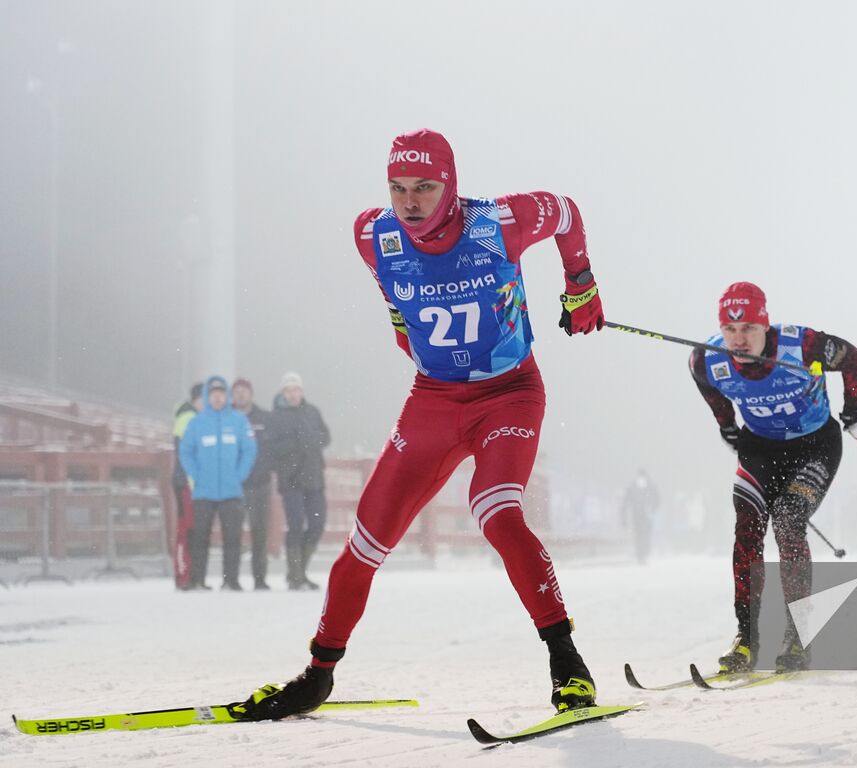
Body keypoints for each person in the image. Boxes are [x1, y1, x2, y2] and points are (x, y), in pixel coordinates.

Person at [230, 128, 605, 720]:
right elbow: (397, 309)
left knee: (498, 511)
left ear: (450, 186)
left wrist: (579, 282)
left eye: (425, 188)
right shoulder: (370, 233)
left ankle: (567, 663)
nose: (410, 202)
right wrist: (416, 339)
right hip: (433, 399)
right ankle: (318, 672)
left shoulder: (500, 223)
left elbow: (567, 213)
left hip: (508, 394)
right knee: (365, 541)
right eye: (399, 188)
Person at [690, 281, 857, 673]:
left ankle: (797, 633)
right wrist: (727, 425)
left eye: (749, 329)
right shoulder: (707, 360)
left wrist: (854, 406)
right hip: (761, 448)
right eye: (730, 330)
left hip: (815, 445)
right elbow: (709, 388)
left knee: (788, 520)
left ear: (765, 326)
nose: (739, 339)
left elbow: (853, 358)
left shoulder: (801, 345)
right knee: (747, 527)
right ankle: (746, 639)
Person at [177, 376, 256, 591]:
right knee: (200, 537)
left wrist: (239, 474)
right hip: (204, 491)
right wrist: (197, 474)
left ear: (227, 396)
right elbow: (185, 451)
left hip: (232, 491)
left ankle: (231, 579)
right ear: (207, 397)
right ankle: (197, 579)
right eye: (213, 395)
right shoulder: (197, 423)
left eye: (221, 394)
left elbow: (249, 450)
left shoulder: (239, 421)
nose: (218, 398)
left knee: (232, 538)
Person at [268, 372, 331, 590]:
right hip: (291, 480)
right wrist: (294, 444)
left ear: (301, 391)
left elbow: (326, 436)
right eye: (288, 390)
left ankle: (299, 571)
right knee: (295, 525)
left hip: (314, 477)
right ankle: (295, 576)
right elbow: (271, 448)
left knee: (317, 523)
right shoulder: (276, 416)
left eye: (296, 390)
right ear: (283, 393)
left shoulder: (312, 412)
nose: (293, 394)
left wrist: (311, 440)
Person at [231, 378, 275, 590]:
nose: (240, 395)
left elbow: (274, 447)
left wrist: (268, 468)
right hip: (234, 485)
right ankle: (231, 578)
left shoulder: (264, 418)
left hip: (260, 482)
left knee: (260, 531)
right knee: (233, 532)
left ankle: (260, 577)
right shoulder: (226, 418)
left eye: (244, 392)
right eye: (236, 392)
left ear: (251, 394)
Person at [170, 381, 203, 590]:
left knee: (191, 529)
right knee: (186, 529)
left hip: (190, 481)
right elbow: (185, 451)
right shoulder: (187, 417)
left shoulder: (193, 416)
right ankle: (184, 575)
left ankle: (190, 574)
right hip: (186, 481)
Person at [621, 469, 660, 564]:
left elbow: (657, 499)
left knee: (644, 534)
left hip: (645, 514)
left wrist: (653, 508)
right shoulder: (635, 486)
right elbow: (626, 501)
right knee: (640, 534)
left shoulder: (649, 486)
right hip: (638, 514)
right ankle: (641, 555)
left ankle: (643, 553)